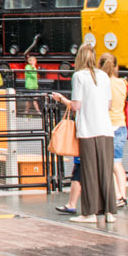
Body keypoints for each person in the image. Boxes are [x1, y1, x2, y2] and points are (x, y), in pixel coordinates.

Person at [50, 44, 118, 222]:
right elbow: (109, 105)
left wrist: (62, 99)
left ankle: (89, 213)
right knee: (105, 171)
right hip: (106, 129)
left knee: (89, 172)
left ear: (79, 57)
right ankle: (109, 212)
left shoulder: (79, 76)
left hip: (88, 130)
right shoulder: (103, 76)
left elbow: (76, 106)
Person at [100, 52, 128, 209]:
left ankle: (118, 195)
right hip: (121, 125)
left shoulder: (102, 82)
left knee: (111, 163)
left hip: (107, 126)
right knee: (117, 163)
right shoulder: (123, 82)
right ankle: (122, 195)